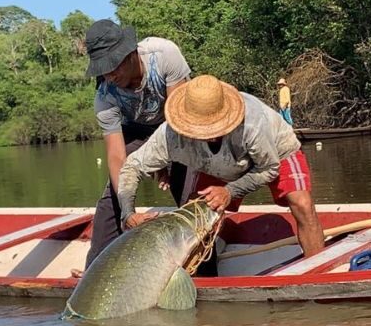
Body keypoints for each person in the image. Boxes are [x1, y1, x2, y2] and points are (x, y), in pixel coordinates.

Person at [117, 75, 324, 261]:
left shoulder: (251, 123)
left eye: (215, 125)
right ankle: (200, 271)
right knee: (195, 218)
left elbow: (269, 168)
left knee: (303, 204)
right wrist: (128, 214)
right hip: (219, 166)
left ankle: (317, 272)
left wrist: (230, 191)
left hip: (276, 153)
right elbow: (132, 167)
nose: (211, 133)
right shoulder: (170, 136)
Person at [84, 19, 191, 267]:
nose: (110, 75)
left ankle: (205, 269)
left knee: (187, 186)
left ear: (131, 52)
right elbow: (116, 157)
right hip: (137, 130)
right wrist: (127, 210)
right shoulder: (104, 96)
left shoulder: (164, 55)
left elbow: (178, 119)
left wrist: (161, 160)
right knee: (115, 193)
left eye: (114, 66)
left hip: (179, 123)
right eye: (103, 69)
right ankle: (96, 268)